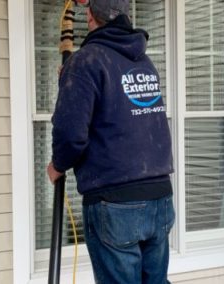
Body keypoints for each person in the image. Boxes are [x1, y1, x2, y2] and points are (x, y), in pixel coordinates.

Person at [47, 0, 174, 283]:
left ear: (90, 15)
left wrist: (57, 165)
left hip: (115, 204)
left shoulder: (86, 61)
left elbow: (70, 135)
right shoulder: (143, 61)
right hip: (160, 198)